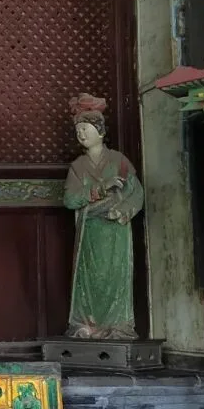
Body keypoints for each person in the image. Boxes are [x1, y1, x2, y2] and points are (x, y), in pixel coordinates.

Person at [63, 93, 143, 340]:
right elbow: (70, 200)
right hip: (90, 231)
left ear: (100, 132)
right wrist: (100, 188)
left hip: (116, 231)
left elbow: (137, 193)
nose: (81, 135)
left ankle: (118, 325)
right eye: (78, 131)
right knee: (89, 280)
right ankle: (85, 325)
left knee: (116, 278)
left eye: (85, 129)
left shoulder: (119, 160)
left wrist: (123, 210)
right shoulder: (78, 166)